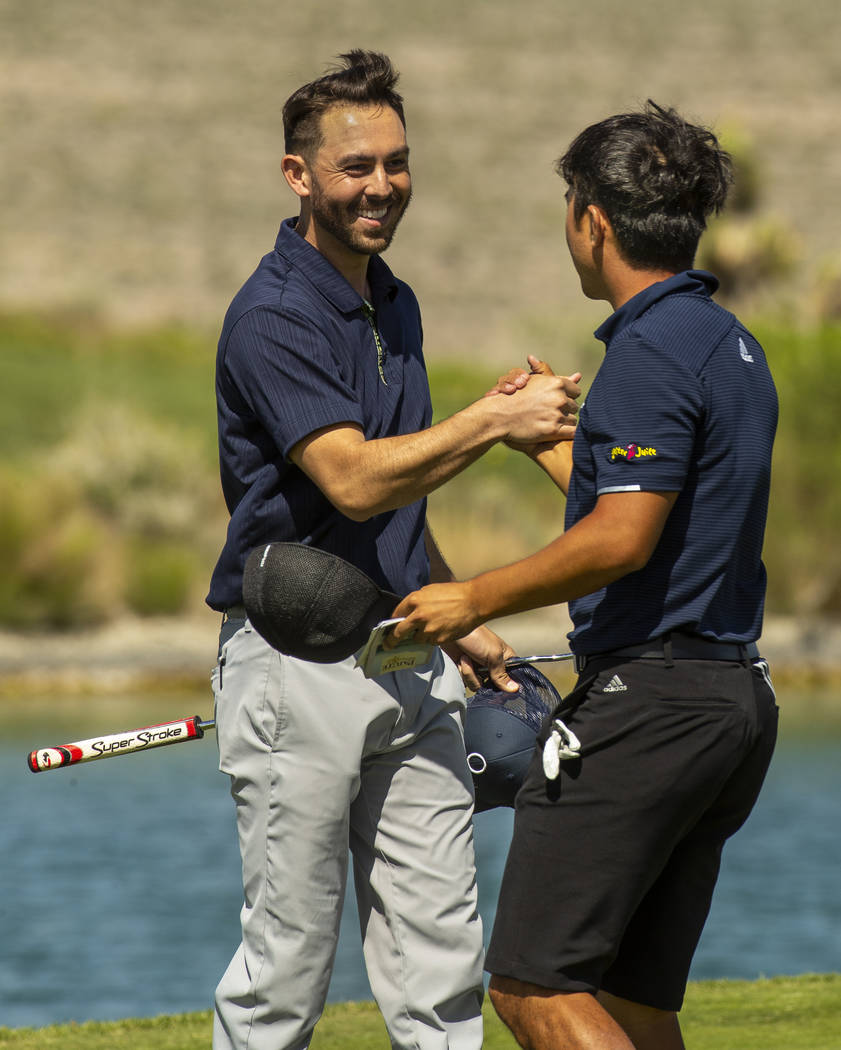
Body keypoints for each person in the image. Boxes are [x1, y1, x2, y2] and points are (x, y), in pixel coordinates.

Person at [205, 50, 580, 1050]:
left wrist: (456, 609)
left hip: (408, 658)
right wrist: (494, 420)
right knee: (285, 970)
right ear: (299, 176)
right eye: (356, 166)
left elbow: (395, 508)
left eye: (397, 163)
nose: (382, 186)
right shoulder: (272, 316)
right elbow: (355, 479)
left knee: (440, 963)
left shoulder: (393, 303)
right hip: (294, 667)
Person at [390, 101, 779, 1050]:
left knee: (535, 986)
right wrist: (551, 443)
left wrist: (472, 597)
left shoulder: (647, 351)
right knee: (634, 1003)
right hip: (729, 699)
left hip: (650, 705)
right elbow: (658, 513)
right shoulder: (727, 343)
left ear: (591, 219)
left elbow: (623, 539)